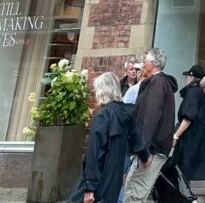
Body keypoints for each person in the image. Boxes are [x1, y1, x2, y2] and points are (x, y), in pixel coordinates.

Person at [67, 72, 149, 203]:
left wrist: (89, 188)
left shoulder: (103, 116)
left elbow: (94, 154)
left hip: (100, 179)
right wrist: (145, 156)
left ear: (102, 91)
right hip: (114, 179)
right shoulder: (126, 113)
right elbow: (136, 139)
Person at [122, 47, 178, 203]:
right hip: (150, 148)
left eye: (144, 61)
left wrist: (145, 151)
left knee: (135, 191)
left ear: (153, 64)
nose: (142, 65)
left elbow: (151, 117)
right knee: (132, 188)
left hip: (151, 149)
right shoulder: (158, 83)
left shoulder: (158, 83)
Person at [172, 63, 205, 183]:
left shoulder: (193, 93)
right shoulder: (200, 92)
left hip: (191, 139)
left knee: (186, 172)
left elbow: (188, 118)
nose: (186, 79)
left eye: (187, 77)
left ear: (191, 77)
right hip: (198, 138)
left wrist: (176, 135)